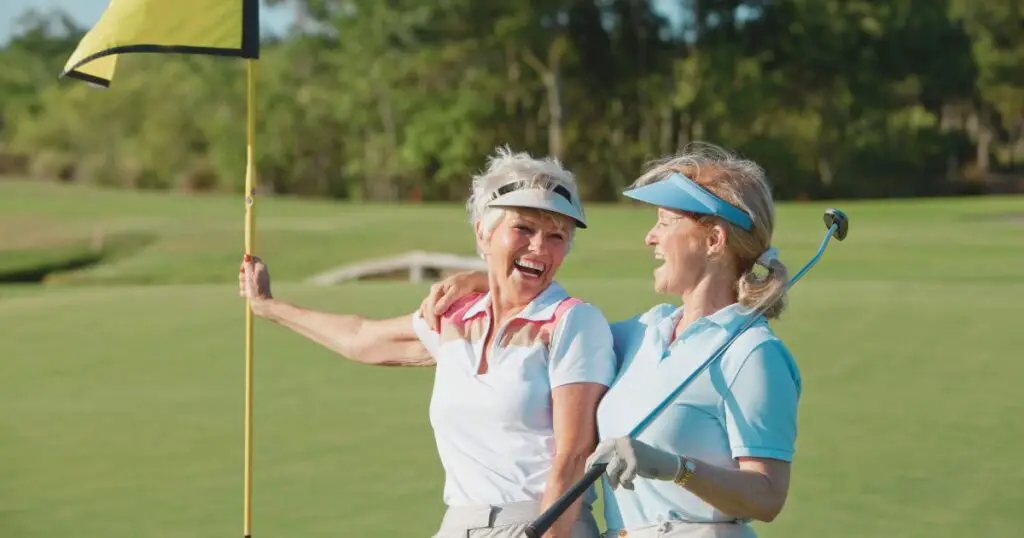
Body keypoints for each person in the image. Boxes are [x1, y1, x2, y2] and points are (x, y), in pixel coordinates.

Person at [418, 142, 802, 538]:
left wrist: (675, 468)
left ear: (714, 239)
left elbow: (767, 496)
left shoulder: (753, 353)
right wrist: (491, 281)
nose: (650, 237)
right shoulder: (644, 333)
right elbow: (550, 327)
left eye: (666, 222)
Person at [238, 146, 618, 538]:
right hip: (459, 524)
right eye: (524, 228)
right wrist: (269, 308)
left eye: (556, 236)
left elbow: (572, 458)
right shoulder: (456, 316)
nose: (540, 247)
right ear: (483, 235)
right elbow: (362, 338)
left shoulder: (573, 322)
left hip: (541, 524)